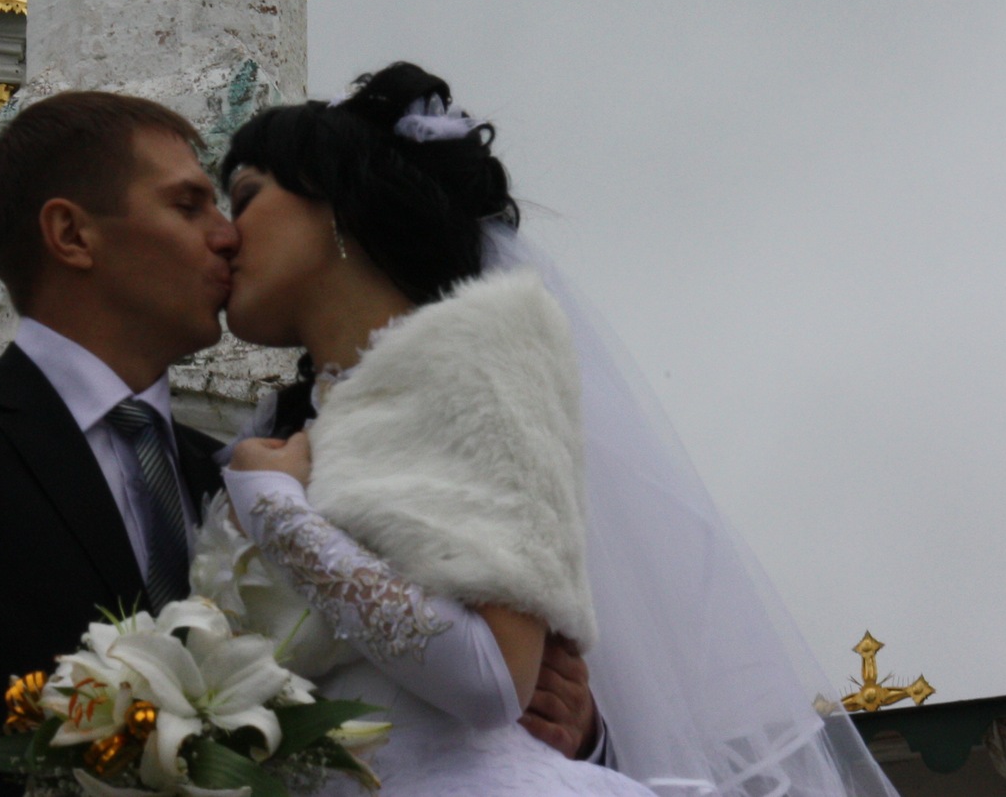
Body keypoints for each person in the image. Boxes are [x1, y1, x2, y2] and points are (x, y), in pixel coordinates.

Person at [0, 88, 602, 797]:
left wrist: (573, 731)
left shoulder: (240, 469)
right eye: (189, 204)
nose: (227, 234)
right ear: (73, 234)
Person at [202, 64, 899, 797]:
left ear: (339, 203)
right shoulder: (276, 433)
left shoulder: (478, 361)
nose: (223, 235)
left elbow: (491, 680)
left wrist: (277, 511)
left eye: (245, 198)